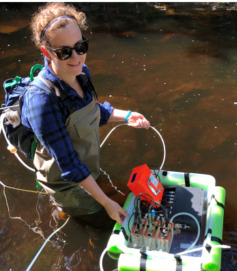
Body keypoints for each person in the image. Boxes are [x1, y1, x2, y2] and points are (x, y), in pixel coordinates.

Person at [21, 1, 150, 228]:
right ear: (46, 52)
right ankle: (67, 213)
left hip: (87, 170)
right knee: (105, 227)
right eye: (64, 52)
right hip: (67, 184)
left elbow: (91, 111)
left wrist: (127, 116)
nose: (76, 57)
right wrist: (106, 203)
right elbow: (69, 164)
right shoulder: (41, 100)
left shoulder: (81, 72)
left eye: (80, 46)